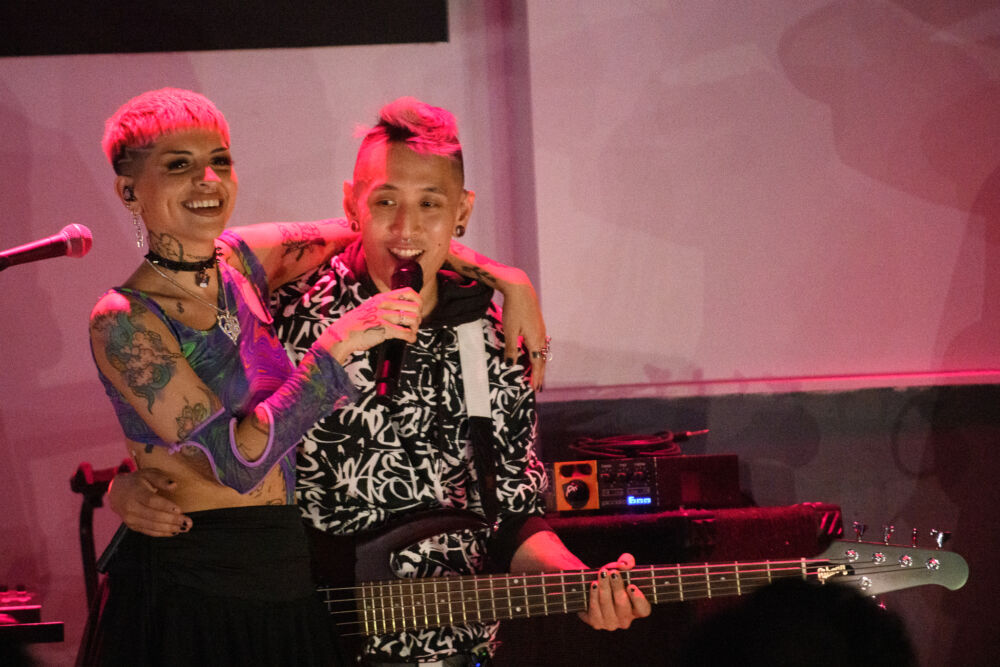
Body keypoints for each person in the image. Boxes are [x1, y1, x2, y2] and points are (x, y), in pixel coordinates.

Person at [87, 88, 549, 666]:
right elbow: (231, 464)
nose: (207, 179)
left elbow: (387, 228)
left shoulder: (242, 261)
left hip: (285, 582)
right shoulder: (125, 318)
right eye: (179, 164)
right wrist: (334, 350)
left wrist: (508, 276)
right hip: (196, 587)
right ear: (129, 191)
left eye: (220, 160)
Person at [270, 97, 651, 664]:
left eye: (430, 203)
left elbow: (512, 515)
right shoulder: (287, 318)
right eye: (385, 200)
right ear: (351, 203)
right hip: (309, 645)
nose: (406, 228)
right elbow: (231, 458)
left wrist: (580, 583)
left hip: (461, 651)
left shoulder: (495, 336)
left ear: (462, 211)